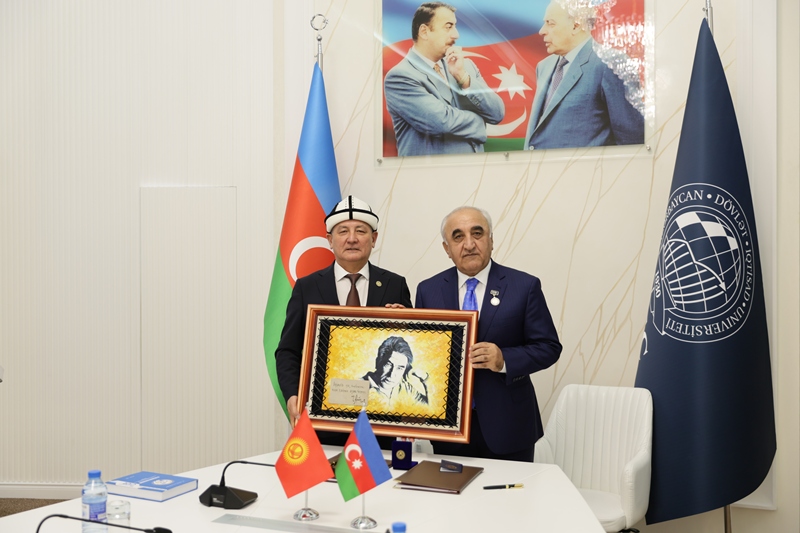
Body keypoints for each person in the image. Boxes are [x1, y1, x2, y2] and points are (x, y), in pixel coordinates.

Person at [415, 206, 562, 462]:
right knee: (450, 488)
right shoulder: (428, 290)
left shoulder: (524, 286)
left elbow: (549, 347)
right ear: (447, 248)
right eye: (458, 237)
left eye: (477, 233)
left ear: (491, 240)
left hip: (508, 427)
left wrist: (504, 359)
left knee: (509, 490)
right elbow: (422, 352)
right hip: (450, 430)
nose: (469, 244)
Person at [275, 196, 412, 446]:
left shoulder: (395, 285)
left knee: (378, 472)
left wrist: (406, 326)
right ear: (329, 240)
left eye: (360, 231)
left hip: (380, 420)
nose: (352, 238)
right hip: (323, 419)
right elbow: (288, 350)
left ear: (374, 239)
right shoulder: (307, 287)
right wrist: (293, 393)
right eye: (343, 231)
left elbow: (410, 348)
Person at [384, 2, 505, 156]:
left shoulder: (465, 66)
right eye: (448, 27)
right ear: (424, 32)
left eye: (455, 26)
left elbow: (497, 113)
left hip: (476, 168)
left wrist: (463, 78)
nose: (456, 35)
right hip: (433, 171)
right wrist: (480, 122)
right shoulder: (400, 77)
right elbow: (441, 122)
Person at [524, 0, 644, 150]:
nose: (542, 31)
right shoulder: (544, 67)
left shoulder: (610, 64)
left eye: (551, 23)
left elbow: (632, 140)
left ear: (576, 25)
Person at [362, 336, 429, 405]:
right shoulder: (361, 387)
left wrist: (425, 379)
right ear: (378, 363)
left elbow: (430, 407)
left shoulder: (405, 388)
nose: (392, 375)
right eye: (388, 364)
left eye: (400, 368)